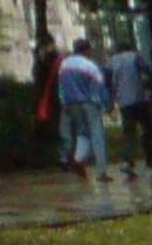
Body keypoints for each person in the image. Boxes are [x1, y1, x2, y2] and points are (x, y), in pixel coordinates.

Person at [56, 39, 113, 183]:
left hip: (71, 104)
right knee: (97, 135)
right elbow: (100, 86)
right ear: (87, 50)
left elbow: (61, 86)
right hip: (89, 103)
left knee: (82, 133)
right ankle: (102, 172)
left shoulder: (65, 64)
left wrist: (65, 104)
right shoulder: (90, 65)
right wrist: (107, 105)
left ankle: (78, 159)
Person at [107, 34, 152, 177]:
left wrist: (111, 104)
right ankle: (151, 165)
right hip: (140, 99)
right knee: (147, 132)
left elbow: (110, 83)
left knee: (129, 133)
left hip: (124, 102)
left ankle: (128, 163)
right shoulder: (135, 57)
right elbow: (148, 71)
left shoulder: (112, 62)